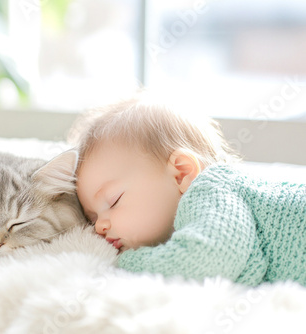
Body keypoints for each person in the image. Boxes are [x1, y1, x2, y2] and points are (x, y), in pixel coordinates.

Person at [71, 92, 306, 286]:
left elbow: (208, 259)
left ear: (181, 173)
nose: (99, 226)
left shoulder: (211, 189)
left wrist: (122, 264)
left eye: (113, 201)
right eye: (91, 218)